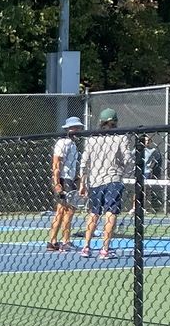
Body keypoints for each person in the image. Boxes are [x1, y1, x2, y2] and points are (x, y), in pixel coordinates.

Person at [78, 108, 133, 260]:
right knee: (111, 212)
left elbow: (84, 162)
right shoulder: (120, 137)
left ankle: (86, 247)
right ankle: (105, 249)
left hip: (94, 180)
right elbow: (128, 159)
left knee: (94, 213)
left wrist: (83, 181)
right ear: (115, 122)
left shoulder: (92, 138)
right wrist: (123, 172)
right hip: (113, 179)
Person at [46, 117, 85, 251]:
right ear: (68, 129)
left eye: (79, 127)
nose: (77, 130)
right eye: (74, 127)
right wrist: (57, 183)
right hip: (64, 179)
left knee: (61, 210)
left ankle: (53, 241)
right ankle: (65, 241)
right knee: (68, 210)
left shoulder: (73, 144)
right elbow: (56, 163)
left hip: (70, 179)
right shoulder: (63, 143)